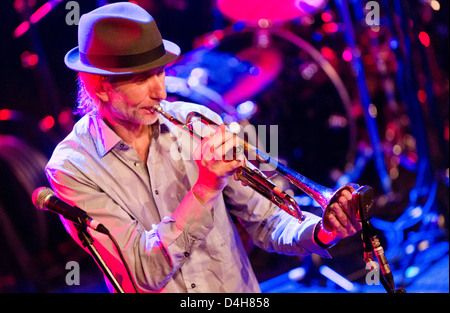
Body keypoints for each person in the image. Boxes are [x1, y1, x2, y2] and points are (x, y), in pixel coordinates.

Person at [45, 2, 361, 293]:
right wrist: (205, 189)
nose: (161, 92)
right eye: (142, 79)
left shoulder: (198, 124)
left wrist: (322, 231)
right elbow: (143, 272)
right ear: (99, 88)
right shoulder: (73, 168)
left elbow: (267, 220)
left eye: (160, 72)